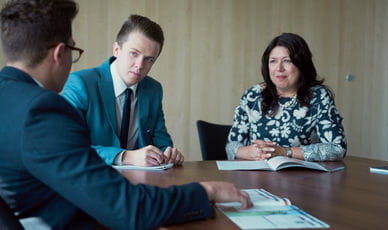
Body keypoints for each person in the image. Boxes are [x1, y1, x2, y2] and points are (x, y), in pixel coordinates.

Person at [0, 0, 251, 229]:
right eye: (73, 50)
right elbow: (128, 209)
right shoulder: (43, 110)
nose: (140, 65)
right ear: (59, 53)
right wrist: (205, 192)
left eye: (149, 59)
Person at [62, 14, 182, 167]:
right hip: (90, 178)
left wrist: (168, 153)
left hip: (142, 181)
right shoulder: (81, 83)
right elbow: (67, 145)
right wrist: (125, 156)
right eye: (134, 53)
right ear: (117, 49)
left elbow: (161, 141)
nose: (139, 65)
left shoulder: (153, 89)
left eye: (149, 59)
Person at [226, 33, 347, 162]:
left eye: (287, 61)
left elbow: (337, 148)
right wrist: (251, 152)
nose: (279, 68)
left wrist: (284, 152)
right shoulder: (253, 95)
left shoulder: (318, 96)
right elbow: (231, 146)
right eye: (273, 61)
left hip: (302, 178)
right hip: (257, 176)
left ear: (301, 64)